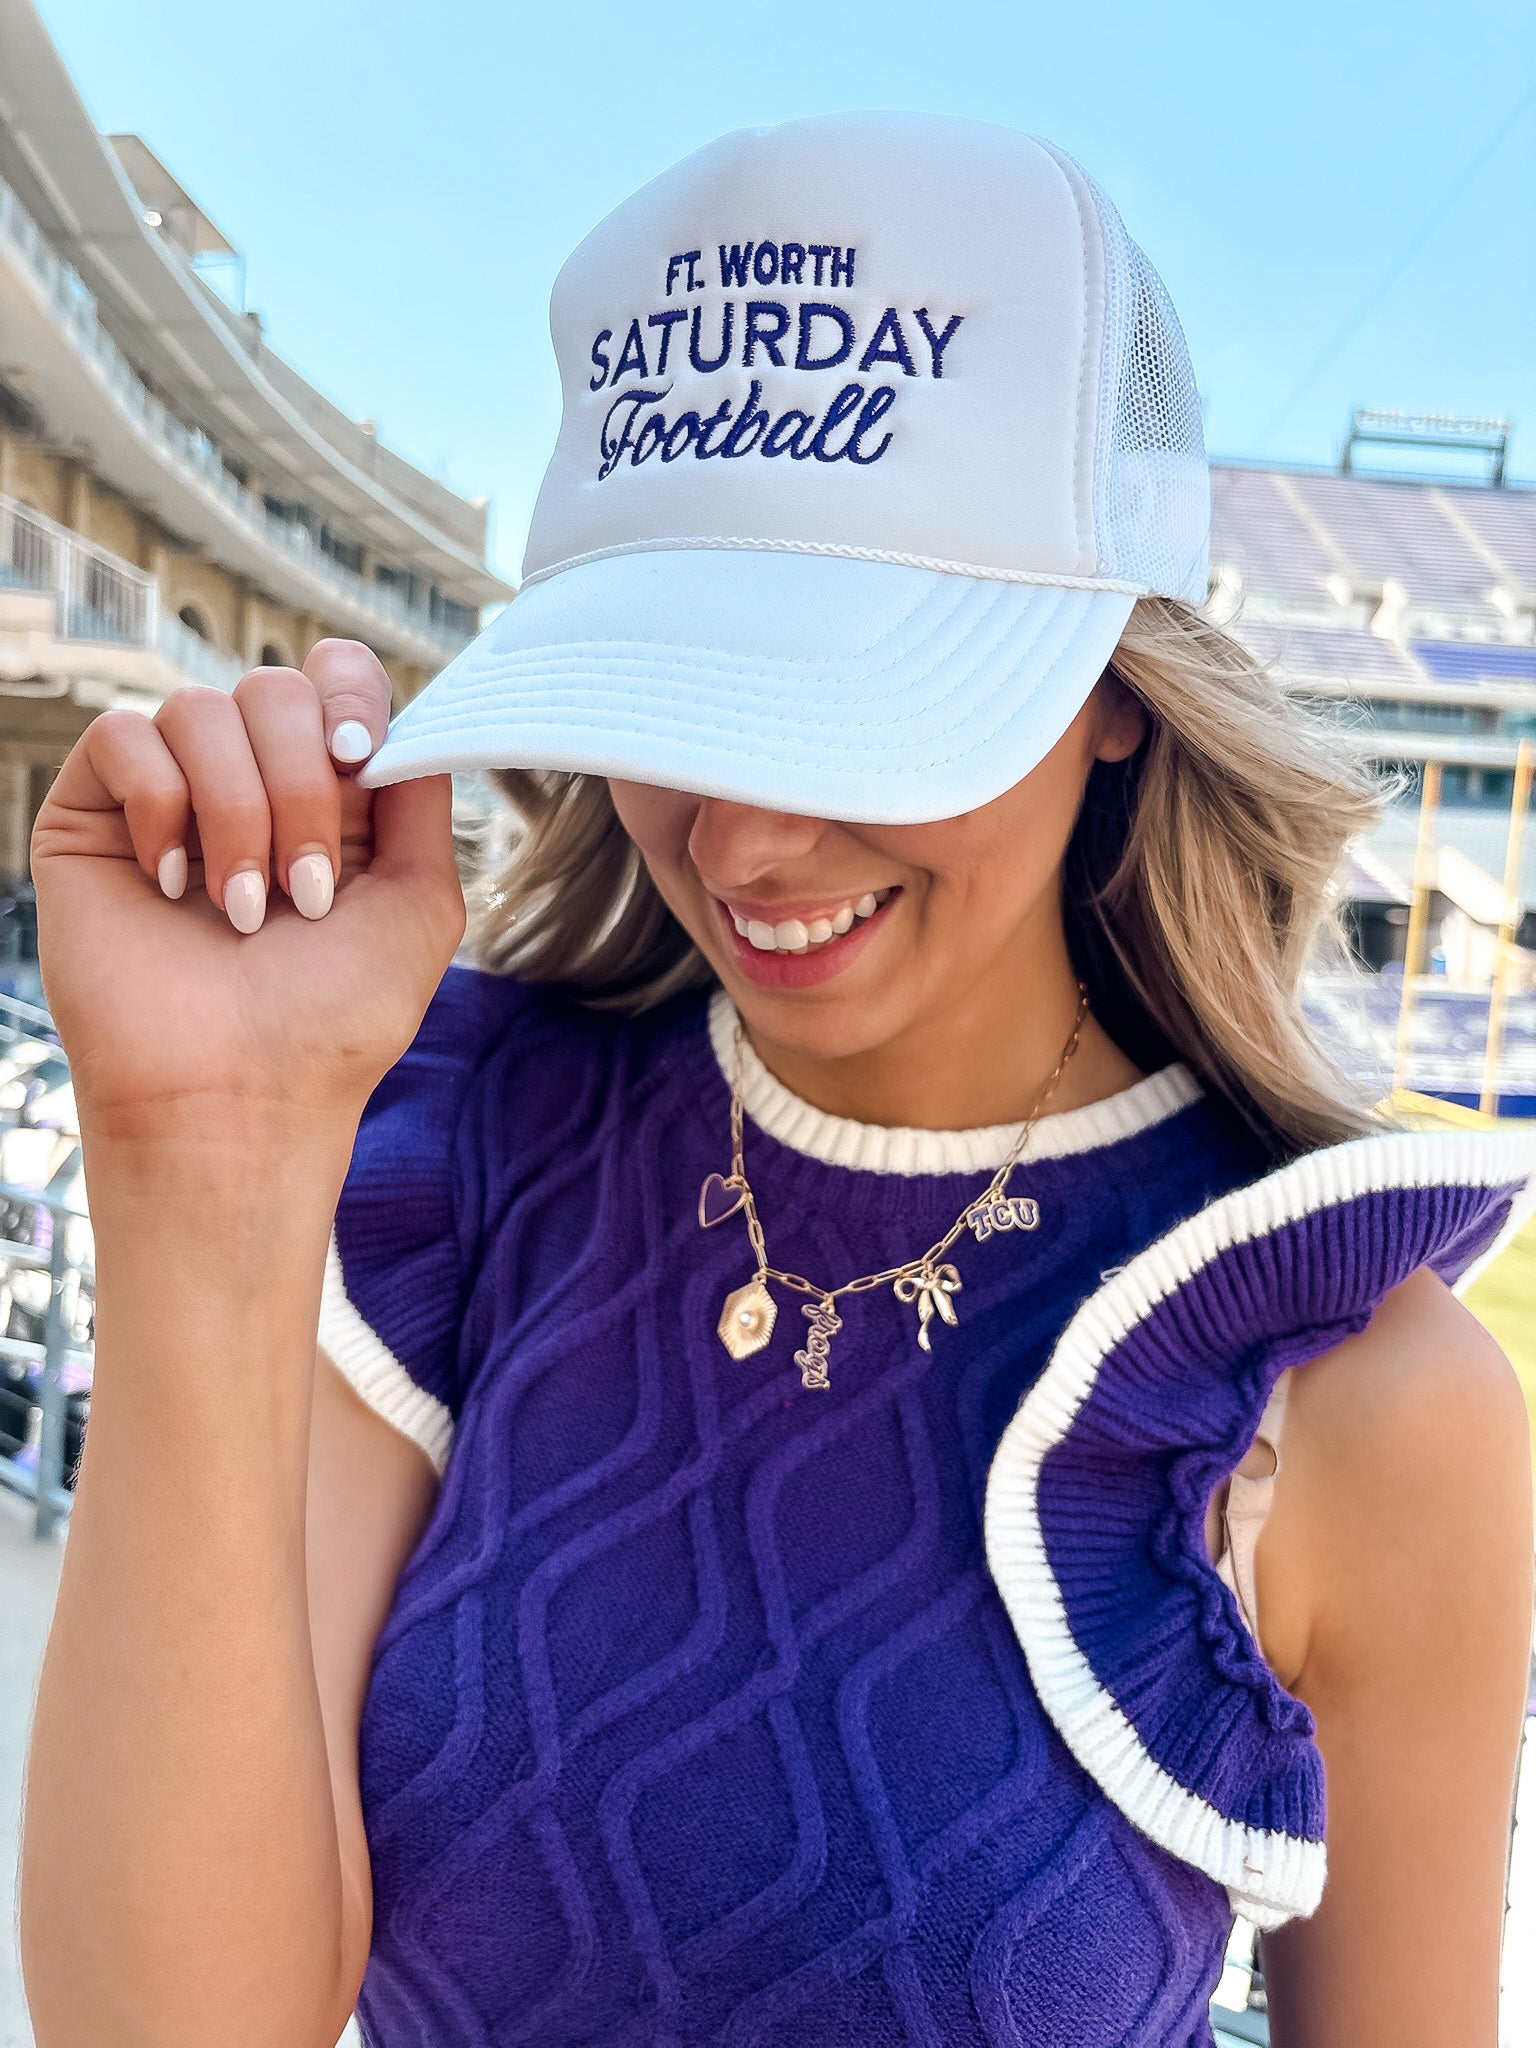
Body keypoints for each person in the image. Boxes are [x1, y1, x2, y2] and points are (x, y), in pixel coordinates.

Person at [18, 114, 1536, 2048]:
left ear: (1126, 692)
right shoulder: (481, 1158)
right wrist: (198, 1156)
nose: (742, 838)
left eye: (865, 706)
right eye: (669, 696)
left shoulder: (1364, 1403)